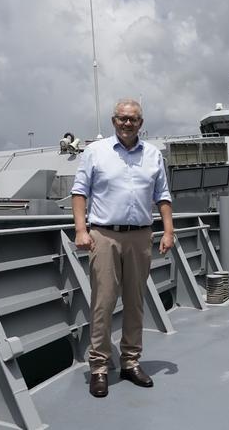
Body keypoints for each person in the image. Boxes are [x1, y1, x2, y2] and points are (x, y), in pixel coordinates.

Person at [71, 98, 174, 398]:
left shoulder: (153, 155)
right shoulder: (95, 152)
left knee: (135, 301)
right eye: (122, 118)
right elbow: (79, 192)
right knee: (102, 302)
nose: (127, 123)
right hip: (104, 235)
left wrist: (168, 231)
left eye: (133, 119)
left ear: (141, 123)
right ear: (114, 120)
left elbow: (163, 196)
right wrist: (81, 229)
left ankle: (130, 362)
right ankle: (99, 367)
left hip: (141, 236)